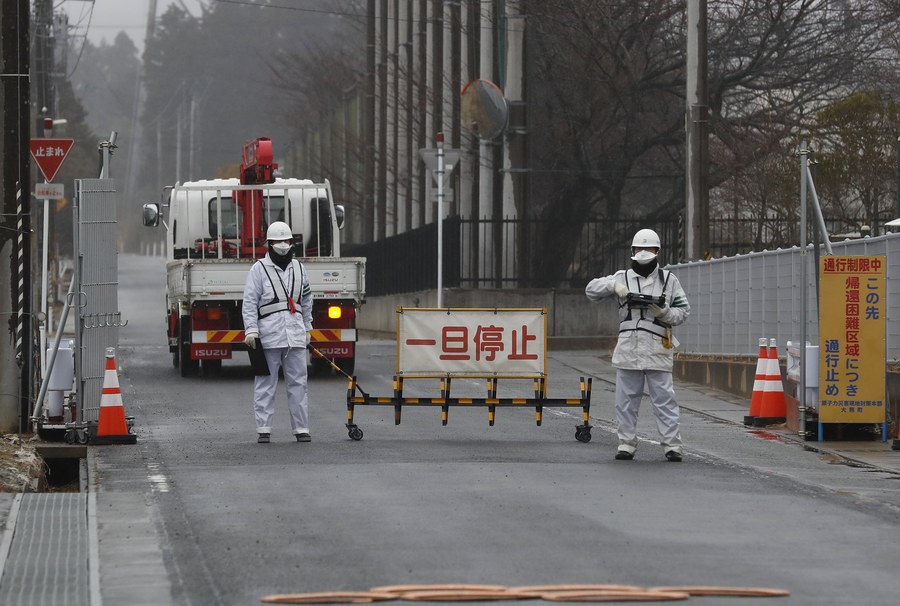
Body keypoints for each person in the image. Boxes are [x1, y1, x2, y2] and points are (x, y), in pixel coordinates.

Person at [584, 228, 690, 462]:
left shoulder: (669, 280)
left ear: (658, 251)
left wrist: (664, 312)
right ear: (632, 251)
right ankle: (626, 443)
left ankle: (672, 445)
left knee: (664, 400)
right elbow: (590, 291)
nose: (644, 253)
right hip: (628, 348)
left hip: (657, 348)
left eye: (649, 249)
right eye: (640, 249)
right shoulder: (621, 277)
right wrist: (613, 286)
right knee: (626, 400)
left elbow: (683, 312)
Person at [242, 221, 314, 444]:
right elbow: (250, 302)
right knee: (265, 383)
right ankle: (264, 429)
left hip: (295, 335)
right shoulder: (258, 269)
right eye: (278, 242)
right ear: (269, 244)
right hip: (269, 336)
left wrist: (308, 326)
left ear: (292, 243)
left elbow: (307, 300)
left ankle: (301, 429)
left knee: (298, 384)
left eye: (287, 241)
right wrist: (251, 330)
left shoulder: (300, 268)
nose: (283, 246)